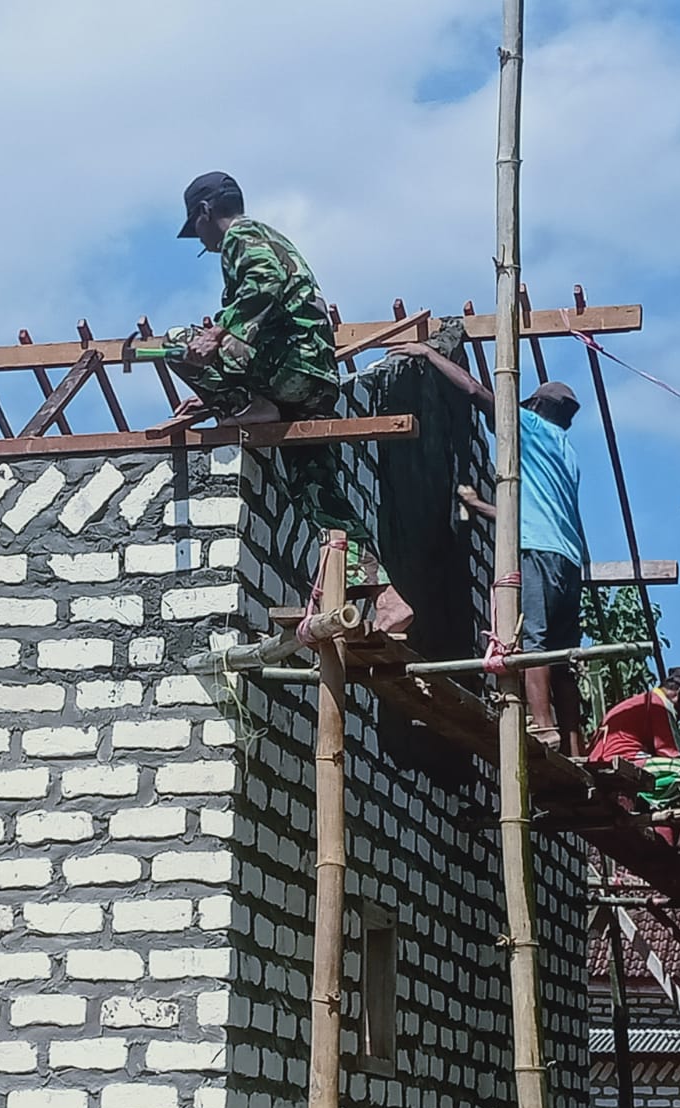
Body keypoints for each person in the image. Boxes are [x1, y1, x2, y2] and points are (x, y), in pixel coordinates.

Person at [165, 171, 413, 634]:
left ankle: (254, 406)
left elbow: (265, 280)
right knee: (318, 496)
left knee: (177, 341)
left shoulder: (244, 235)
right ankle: (389, 598)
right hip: (311, 383)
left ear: (204, 213)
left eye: (195, 228)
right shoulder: (268, 238)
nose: (199, 239)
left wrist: (218, 334)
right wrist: (212, 399)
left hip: (289, 367)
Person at [449, 373, 588, 754]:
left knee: (533, 641)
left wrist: (428, 355)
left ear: (538, 407)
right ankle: (575, 746)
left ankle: (543, 727)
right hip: (568, 560)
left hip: (537, 553)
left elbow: (478, 392)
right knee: (562, 656)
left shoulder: (530, 425)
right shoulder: (567, 453)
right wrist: (478, 506)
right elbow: (526, 513)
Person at [588, 666, 680, 806]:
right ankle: (644, 798)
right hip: (624, 760)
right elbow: (671, 754)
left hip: (600, 760)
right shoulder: (660, 705)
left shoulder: (641, 701)